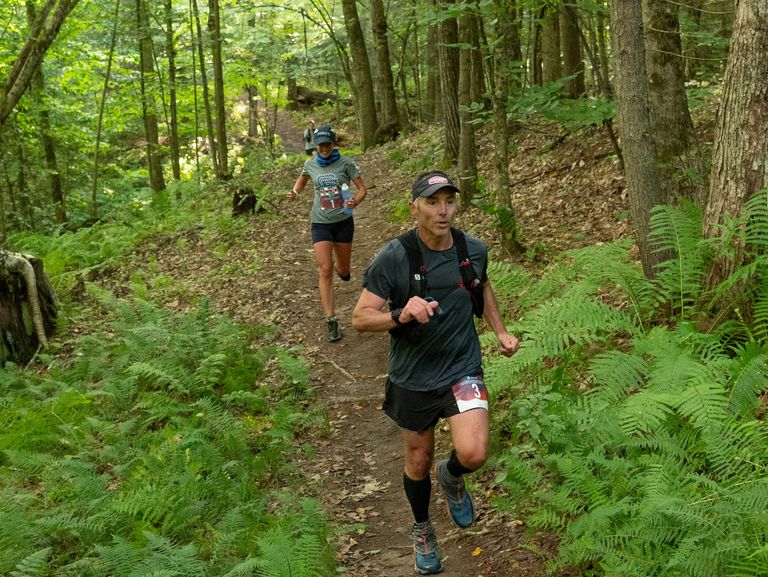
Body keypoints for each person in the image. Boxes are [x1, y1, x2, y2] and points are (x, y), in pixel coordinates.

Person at [352, 170, 519, 574]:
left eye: (449, 201)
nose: (442, 211)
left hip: (462, 367)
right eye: (432, 202)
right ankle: (423, 527)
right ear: (415, 208)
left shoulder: (471, 248)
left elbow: (482, 287)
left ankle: (454, 474)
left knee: (474, 453)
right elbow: (359, 318)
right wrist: (400, 312)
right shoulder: (395, 256)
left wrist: (499, 330)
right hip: (413, 377)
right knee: (419, 457)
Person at [288, 124, 367, 342]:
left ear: (333, 144)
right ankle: (331, 319)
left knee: (342, 269)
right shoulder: (310, 164)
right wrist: (294, 192)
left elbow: (362, 189)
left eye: (327, 144)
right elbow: (302, 179)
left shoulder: (346, 163)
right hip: (320, 223)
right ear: (315, 145)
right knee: (325, 268)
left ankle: (344, 271)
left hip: (343, 221)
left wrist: (355, 200)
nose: (324, 148)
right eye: (320, 145)